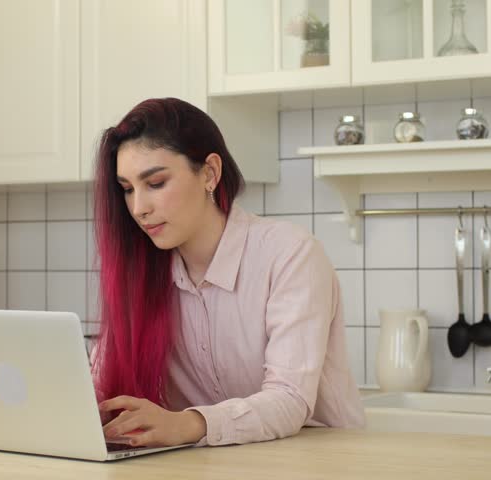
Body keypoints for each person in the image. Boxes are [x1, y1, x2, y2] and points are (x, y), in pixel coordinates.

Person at [90, 97, 364, 449]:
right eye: (127, 190)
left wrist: (187, 424)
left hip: (318, 463)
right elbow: (97, 384)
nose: (139, 208)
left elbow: (289, 400)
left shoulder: (290, 254)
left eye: (155, 183)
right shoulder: (137, 276)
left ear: (209, 173)